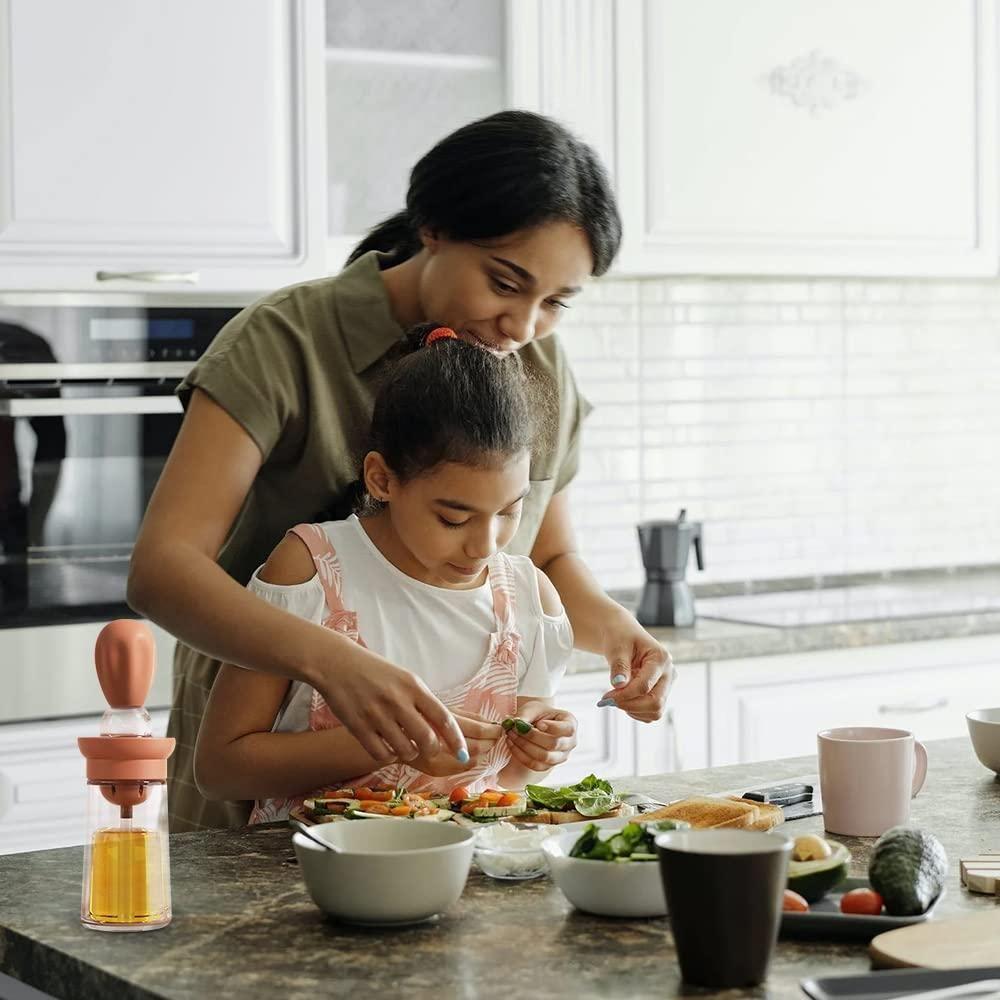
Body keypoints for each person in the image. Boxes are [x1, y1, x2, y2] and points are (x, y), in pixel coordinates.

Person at [128, 109, 674, 833]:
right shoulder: (285, 341)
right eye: (504, 282)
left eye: (555, 303)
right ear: (434, 229)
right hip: (264, 765)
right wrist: (335, 664)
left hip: (447, 808)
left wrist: (619, 633)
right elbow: (162, 570)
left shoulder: (536, 363)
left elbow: (545, 556)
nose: (522, 326)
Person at [194, 325, 578, 819]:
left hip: (467, 864)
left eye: (509, 510)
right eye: (453, 518)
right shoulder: (312, 570)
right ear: (381, 479)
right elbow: (220, 770)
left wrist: (539, 750)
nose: (485, 545)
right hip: (307, 862)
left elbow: (509, 782)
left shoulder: (528, 598)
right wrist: (387, 744)